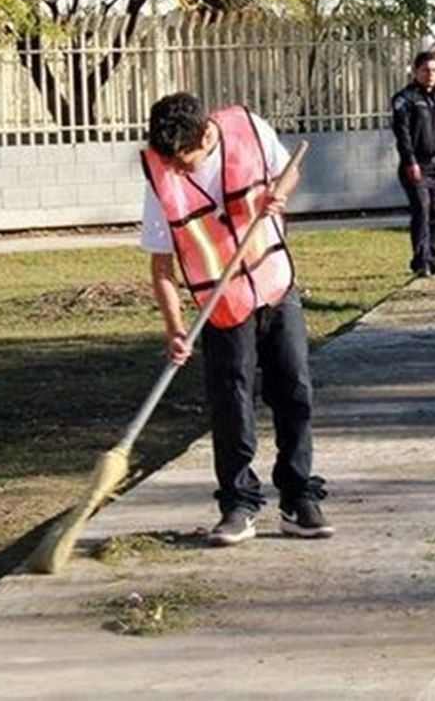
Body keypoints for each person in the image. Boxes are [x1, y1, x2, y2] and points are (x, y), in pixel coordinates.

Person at [139, 92, 332, 547]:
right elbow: (162, 266)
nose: (180, 171)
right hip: (221, 302)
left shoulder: (248, 129)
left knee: (295, 391)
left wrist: (277, 196)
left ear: (207, 134)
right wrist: (175, 330)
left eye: (188, 162)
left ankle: (299, 498)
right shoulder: (161, 174)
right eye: (175, 165)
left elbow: (290, 169)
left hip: (274, 283)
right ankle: (238, 504)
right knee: (231, 404)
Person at [391, 51, 435, 278]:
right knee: (422, 208)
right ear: (416, 71)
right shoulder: (405, 99)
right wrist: (410, 161)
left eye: (434, 70)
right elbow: (403, 134)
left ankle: (433, 256)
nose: (431, 75)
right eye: (426, 70)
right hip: (416, 164)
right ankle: (420, 261)